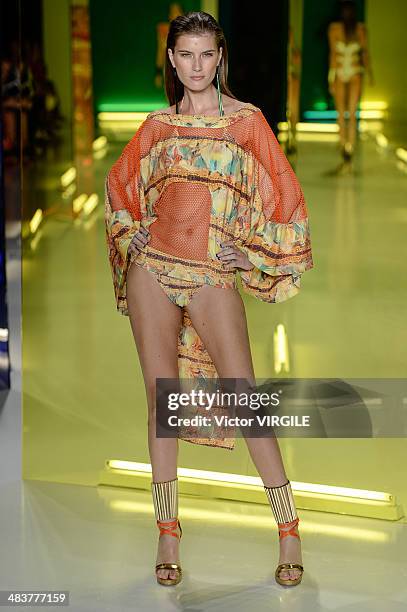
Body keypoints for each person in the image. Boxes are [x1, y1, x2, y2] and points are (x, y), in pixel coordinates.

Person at [105, 11, 313, 588]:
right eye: (185, 55)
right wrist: (131, 233)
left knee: (244, 397)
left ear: (220, 58)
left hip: (210, 274)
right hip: (154, 271)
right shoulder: (155, 129)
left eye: (206, 54)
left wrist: (254, 255)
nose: (196, 66)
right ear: (172, 59)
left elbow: (285, 201)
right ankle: (167, 532)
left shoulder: (247, 124)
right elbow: (119, 187)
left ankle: (288, 526)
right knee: (160, 401)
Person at [328, 0, 374, 165]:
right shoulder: (353, 29)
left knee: (345, 112)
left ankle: (346, 146)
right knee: (348, 112)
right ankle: (347, 147)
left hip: (348, 72)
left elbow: (335, 55)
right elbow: (362, 54)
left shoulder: (353, 29)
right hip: (350, 72)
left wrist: (331, 78)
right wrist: (370, 75)